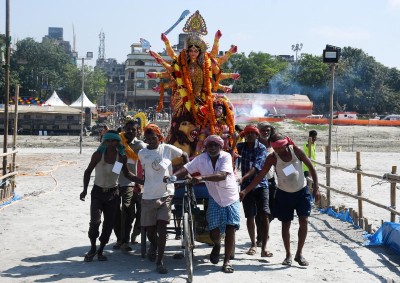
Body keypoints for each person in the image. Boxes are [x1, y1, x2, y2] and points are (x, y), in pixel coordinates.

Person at [240, 133, 320, 267]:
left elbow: (311, 167)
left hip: (302, 192)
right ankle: (288, 254)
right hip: (284, 193)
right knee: (286, 224)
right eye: (275, 148)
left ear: (286, 144)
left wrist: (316, 188)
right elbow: (260, 175)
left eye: (280, 148)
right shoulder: (272, 158)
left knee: (304, 220)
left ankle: (299, 254)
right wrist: (245, 190)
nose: (278, 151)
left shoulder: (296, 151)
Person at [171, 135, 240, 273]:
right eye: (210, 145)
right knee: (213, 229)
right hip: (215, 197)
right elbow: (187, 168)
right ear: (206, 147)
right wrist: (173, 176)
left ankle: (226, 262)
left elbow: (222, 175)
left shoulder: (225, 156)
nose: (213, 148)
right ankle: (216, 244)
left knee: (230, 228)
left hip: (230, 197)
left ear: (220, 147)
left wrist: (202, 177)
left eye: (215, 145)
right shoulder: (201, 158)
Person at [80, 130, 143, 262]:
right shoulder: (98, 155)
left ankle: (101, 250)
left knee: (108, 225)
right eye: (109, 141)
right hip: (97, 192)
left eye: (114, 141)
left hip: (113, 194)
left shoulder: (120, 157)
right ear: (105, 142)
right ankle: (92, 248)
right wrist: (85, 190)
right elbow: (87, 172)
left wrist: (143, 182)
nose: (112, 143)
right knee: (95, 222)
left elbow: (127, 174)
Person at [138, 123, 189, 274]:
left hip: (166, 193)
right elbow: (143, 172)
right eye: (148, 139)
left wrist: (182, 173)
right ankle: (153, 245)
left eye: (153, 138)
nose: (151, 141)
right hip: (148, 194)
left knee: (162, 228)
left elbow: (184, 155)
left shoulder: (166, 148)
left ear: (159, 137)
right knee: (150, 232)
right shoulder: (142, 153)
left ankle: (160, 262)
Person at [236, 125, 272, 257]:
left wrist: (243, 178)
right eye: (247, 133)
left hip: (261, 185)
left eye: (252, 133)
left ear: (257, 135)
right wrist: (235, 139)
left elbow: (257, 167)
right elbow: (229, 152)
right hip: (246, 187)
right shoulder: (241, 148)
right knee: (250, 216)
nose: (250, 135)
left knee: (264, 215)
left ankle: (264, 246)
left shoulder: (261, 149)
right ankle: (253, 244)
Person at [113, 120, 146, 251]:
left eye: (134, 129)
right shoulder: (118, 142)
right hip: (120, 181)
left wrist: (141, 182)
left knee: (138, 212)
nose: (131, 132)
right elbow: (116, 164)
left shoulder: (140, 146)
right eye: (128, 129)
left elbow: (143, 165)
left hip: (136, 182)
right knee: (121, 211)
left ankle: (133, 234)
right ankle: (121, 239)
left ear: (138, 131)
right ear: (124, 129)